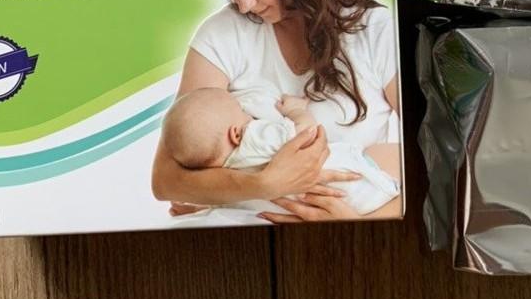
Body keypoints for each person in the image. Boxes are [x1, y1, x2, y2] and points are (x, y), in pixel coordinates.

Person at [150, 0, 401, 223]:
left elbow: (432, 163)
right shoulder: (221, 36)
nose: (244, 5)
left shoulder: (375, 32)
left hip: (350, 230)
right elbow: (165, 179)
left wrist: (354, 225)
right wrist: (263, 183)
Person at [160, 87, 399, 216]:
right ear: (235, 134)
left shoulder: (227, 186)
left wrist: (199, 205)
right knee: (385, 154)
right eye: (241, 111)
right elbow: (305, 133)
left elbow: (223, 203)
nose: (247, 114)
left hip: (339, 206)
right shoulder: (253, 138)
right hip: (354, 181)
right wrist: (297, 112)